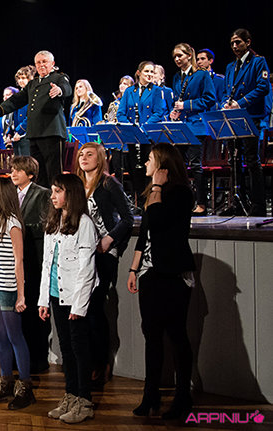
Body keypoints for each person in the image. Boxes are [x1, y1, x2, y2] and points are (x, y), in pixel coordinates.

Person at [127, 143, 196, 420]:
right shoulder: (151, 194)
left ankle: (183, 397)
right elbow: (144, 234)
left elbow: (156, 221)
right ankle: (150, 394)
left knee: (177, 335)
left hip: (173, 273)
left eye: (150, 160)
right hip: (150, 272)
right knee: (151, 335)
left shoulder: (180, 193)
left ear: (163, 166)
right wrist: (133, 269)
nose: (145, 164)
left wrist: (157, 186)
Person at [38, 174, 98, 424]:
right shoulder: (53, 222)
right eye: (52, 191)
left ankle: (85, 400)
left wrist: (79, 305)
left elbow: (87, 269)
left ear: (70, 194)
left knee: (79, 348)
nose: (52, 196)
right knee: (66, 348)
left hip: (75, 298)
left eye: (58, 191)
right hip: (56, 295)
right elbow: (47, 264)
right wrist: (43, 299)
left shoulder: (84, 223)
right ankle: (71, 395)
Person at [74, 143, 133, 386]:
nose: (83, 158)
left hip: (104, 251)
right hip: (82, 251)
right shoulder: (77, 185)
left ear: (100, 158)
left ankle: (102, 362)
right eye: (81, 154)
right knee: (83, 308)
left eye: (89, 154)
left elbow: (128, 218)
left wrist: (109, 239)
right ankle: (88, 361)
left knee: (97, 307)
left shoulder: (109, 183)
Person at [0, 178, 35, 410]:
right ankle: (5, 381)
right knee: (0, 337)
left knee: (15, 337)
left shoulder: (13, 223)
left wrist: (21, 295)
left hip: (8, 288)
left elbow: (19, 260)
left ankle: (26, 386)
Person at [0, 50, 72, 187]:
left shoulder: (59, 78)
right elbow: (16, 100)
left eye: (44, 62)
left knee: (54, 174)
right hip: (34, 134)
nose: (41, 65)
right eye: (38, 62)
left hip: (52, 132)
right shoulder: (32, 84)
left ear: (52, 63)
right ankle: (42, 200)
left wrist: (59, 90)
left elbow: (66, 88)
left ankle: (56, 200)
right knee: (38, 174)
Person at [220, 28, 271, 216]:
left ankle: (258, 204)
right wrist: (226, 103)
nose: (235, 46)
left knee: (251, 160)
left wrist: (240, 103)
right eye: (232, 43)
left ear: (248, 42)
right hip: (234, 117)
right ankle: (238, 202)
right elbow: (226, 91)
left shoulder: (258, 62)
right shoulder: (230, 66)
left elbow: (263, 87)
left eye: (238, 42)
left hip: (251, 116)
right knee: (234, 160)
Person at [9, 156, 51, 374]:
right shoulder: (11, 194)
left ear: (31, 174)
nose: (13, 174)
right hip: (17, 259)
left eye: (18, 170)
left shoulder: (42, 193)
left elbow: (46, 224)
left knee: (35, 308)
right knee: (20, 310)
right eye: (12, 170)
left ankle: (39, 358)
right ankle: (21, 358)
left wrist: (19, 229)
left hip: (35, 258)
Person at [170, 43, 216, 216]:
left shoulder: (202, 74)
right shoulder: (176, 77)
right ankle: (183, 202)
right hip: (181, 126)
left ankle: (201, 204)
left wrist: (186, 105)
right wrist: (174, 111)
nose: (177, 59)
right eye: (175, 57)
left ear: (190, 55)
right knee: (179, 166)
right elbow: (176, 100)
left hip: (196, 126)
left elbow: (210, 99)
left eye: (180, 55)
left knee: (196, 166)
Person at [117, 61, 167, 207]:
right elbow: (121, 113)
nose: (150, 74)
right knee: (134, 170)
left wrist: (143, 127)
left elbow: (158, 112)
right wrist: (132, 128)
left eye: (152, 72)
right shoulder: (129, 91)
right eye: (147, 71)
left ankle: (150, 202)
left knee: (148, 170)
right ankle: (139, 203)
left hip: (148, 136)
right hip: (133, 137)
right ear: (139, 73)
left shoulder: (156, 91)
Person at [8, 65, 36, 156]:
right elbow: (13, 116)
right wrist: (10, 133)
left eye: (23, 78)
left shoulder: (33, 95)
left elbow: (30, 117)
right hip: (16, 137)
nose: (20, 81)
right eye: (19, 78)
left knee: (26, 162)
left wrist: (19, 131)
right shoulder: (18, 95)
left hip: (27, 136)